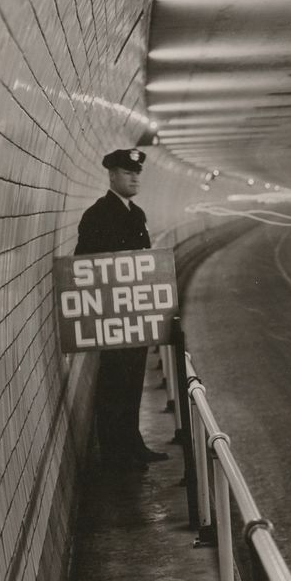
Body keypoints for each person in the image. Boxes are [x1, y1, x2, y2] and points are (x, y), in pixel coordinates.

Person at [76, 148, 171, 470]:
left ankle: (132, 442)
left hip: (136, 314)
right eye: (127, 172)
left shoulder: (136, 214)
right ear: (112, 175)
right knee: (114, 384)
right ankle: (114, 453)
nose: (134, 177)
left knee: (131, 382)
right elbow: (84, 266)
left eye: (137, 172)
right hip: (113, 315)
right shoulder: (97, 215)